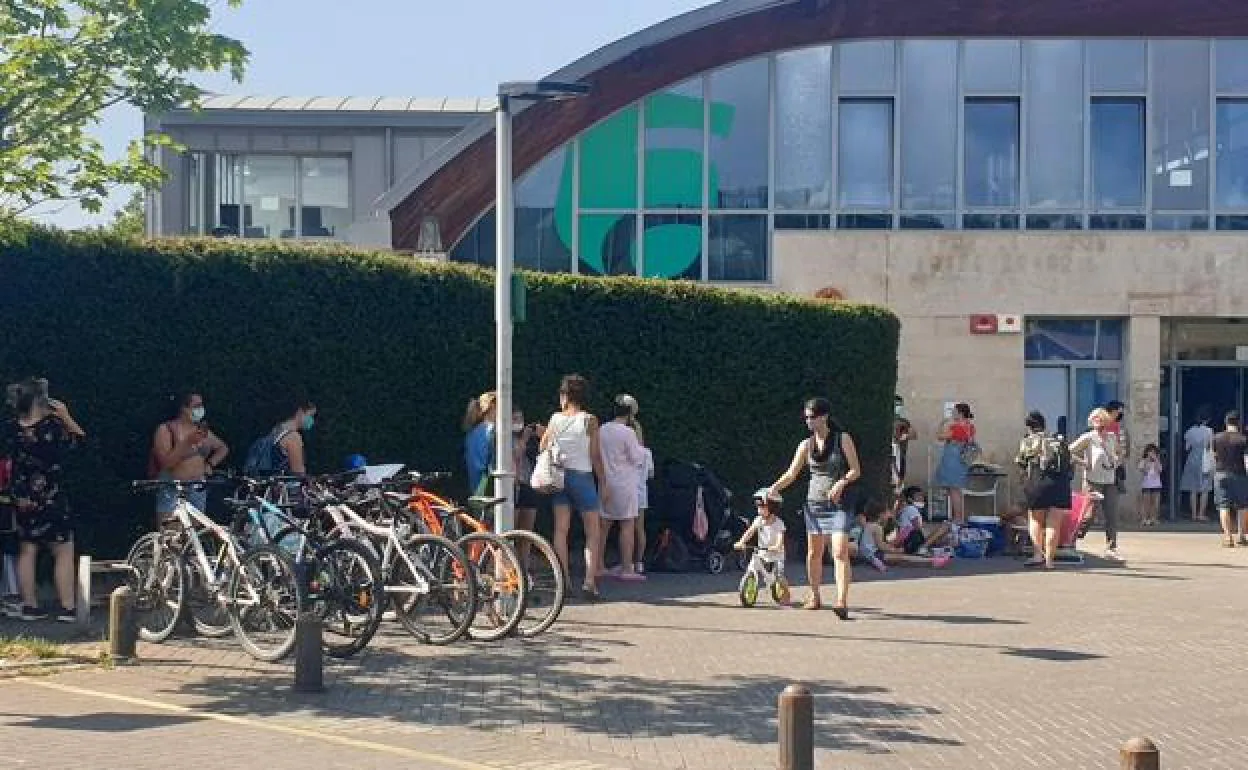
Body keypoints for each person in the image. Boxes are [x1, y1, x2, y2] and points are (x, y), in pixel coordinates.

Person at [767, 397, 862, 617]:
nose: (808, 421)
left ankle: (841, 600)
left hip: (839, 504)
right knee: (814, 553)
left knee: (839, 551)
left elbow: (856, 469)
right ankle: (815, 594)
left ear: (824, 417)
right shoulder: (806, 444)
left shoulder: (842, 439)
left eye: (812, 417)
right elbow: (792, 473)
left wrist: (842, 482)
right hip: (814, 503)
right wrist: (774, 488)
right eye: (806, 417)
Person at [0, 379, 85, 622]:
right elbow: (79, 443)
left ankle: (30, 605)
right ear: (42, 400)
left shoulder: (11, 428)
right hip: (51, 495)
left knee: (27, 549)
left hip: (22, 495)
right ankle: (68, 606)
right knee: (63, 549)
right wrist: (67, 417)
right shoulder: (53, 428)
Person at [540, 374, 609, 601]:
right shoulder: (589, 420)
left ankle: (564, 581)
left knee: (561, 530)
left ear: (564, 396)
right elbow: (595, 455)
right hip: (583, 477)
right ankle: (589, 583)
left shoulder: (555, 419)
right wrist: (604, 481)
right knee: (593, 531)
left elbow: (544, 446)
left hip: (560, 477)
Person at [149, 390, 228, 522]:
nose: (201, 409)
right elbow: (165, 463)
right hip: (173, 488)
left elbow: (223, 448)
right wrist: (186, 442)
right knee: (171, 532)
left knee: (196, 533)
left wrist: (210, 464)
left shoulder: (201, 431)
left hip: (197, 487)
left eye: (201, 405)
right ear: (184, 409)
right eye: (196, 406)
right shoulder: (166, 429)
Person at [597, 396, 647, 582]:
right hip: (626, 483)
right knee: (627, 525)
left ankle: (598, 565)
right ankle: (627, 567)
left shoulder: (602, 429)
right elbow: (637, 458)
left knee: (603, 527)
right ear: (630, 414)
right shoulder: (628, 433)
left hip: (606, 482)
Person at [1016, 411, 1072, 570]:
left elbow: (1021, 463)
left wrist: (1024, 481)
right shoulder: (1057, 440)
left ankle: (1037, 555)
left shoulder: (1028, 441)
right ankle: (1049, 561)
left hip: (1038, 481)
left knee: (1035, 520)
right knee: (1054, 523)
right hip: (1060, 484)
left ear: (1029, 427)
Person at [1069, 407, 1123, 560]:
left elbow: (1119, 453)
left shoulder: (1112, 437)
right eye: (1095, 419)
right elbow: (1069, 451)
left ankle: (1111, 548)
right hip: (1093, 481)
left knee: (1111, 515)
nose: (1098, 422)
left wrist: (1116, 462)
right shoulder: (1088, 438)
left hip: (1110, 480)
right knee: (1089, 515)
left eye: (1101, 419)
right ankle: (1072, 538)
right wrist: (1084, 462)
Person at [615, 394, 653, 575]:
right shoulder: (647, 452)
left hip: (626, 488)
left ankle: (627, 563)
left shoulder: (625, 445)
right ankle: (639, 562)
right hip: (641, 491)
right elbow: (650, 474)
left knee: (623, 526)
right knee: (639, 527)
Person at [934, 403, 976, 524]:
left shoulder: (955, 427)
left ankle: (958, 518)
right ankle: (958, 516)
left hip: (953, 460)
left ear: (960, 413)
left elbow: (939, 437)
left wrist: (941, 424)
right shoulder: (970, 427)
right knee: (956, 489)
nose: (952, 413)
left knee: (954, 490)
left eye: (954, 411)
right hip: (962, 461)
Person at [1212, 411, 1248, 548]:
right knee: (1243, 506)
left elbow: (1213, 456)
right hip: (1239, 474)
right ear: (1238, 423)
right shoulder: (1243, 439)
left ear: (1226, 423)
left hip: (1221, 473)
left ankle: (1228, 536)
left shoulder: (1217, 438)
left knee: (1223, 505)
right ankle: (1242, 536)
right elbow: (1246, 459)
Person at [1180, 408, 1215, 522]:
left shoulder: (1190, 431)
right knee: (1204, 489)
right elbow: (1210, 447)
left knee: (1193, 489)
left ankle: (1194, 514)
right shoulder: (1209, 431)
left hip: (1192, 459)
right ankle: (1201, 514)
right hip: (1204, 460)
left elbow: (1186, 448)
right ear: (1208, 419)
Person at [462, 392, 497, 496]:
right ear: (493, 407)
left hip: (476, 486)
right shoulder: (494, 430)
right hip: (492, 487)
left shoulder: (471, 432)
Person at [1105, 400, 1130, 494]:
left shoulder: (1119, 425)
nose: (1121, 413)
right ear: (1113, 411)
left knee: (1113, 494)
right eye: (1120, 410)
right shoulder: (1105, 425)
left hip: (1117, 464)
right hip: (1107, 464)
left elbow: (1124, 444)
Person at [1138, 444, 1163, 528]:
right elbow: (1143, 470)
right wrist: (1147, 461)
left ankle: (1153, 518)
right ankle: (1144, 518)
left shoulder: (1157, 461)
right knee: (1146, 503)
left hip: (1156, 485)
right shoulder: (1143, 461)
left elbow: (1160, 469)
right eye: (1150, 452)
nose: (1152, 453)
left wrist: (1155, 460)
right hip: (1146, 485)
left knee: (1155, 503)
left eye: (1154, 452)